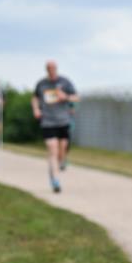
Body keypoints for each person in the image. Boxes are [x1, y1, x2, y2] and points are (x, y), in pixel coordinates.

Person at [31, 62, 78, 193]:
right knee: (52, 150)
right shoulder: (41, 84)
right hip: (48, 121)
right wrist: (36, 109)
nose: (51, 70)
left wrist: (66, 97)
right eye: (49, 69)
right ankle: (55, 181)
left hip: (63, 121)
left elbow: (76, 97)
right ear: (46, 70)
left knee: (62, 150)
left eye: (53, 68)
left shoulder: (65, 82)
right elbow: (35, 98)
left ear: (56, 69)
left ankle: (62, 160)